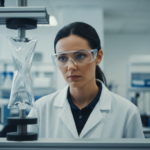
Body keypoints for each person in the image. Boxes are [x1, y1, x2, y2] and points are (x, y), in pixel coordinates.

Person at [28, 22, 144, 138]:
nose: (71, 66)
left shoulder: (127, 112)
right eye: (62, 58)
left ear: (98, 57)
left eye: (80, 56)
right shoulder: (40, 109)